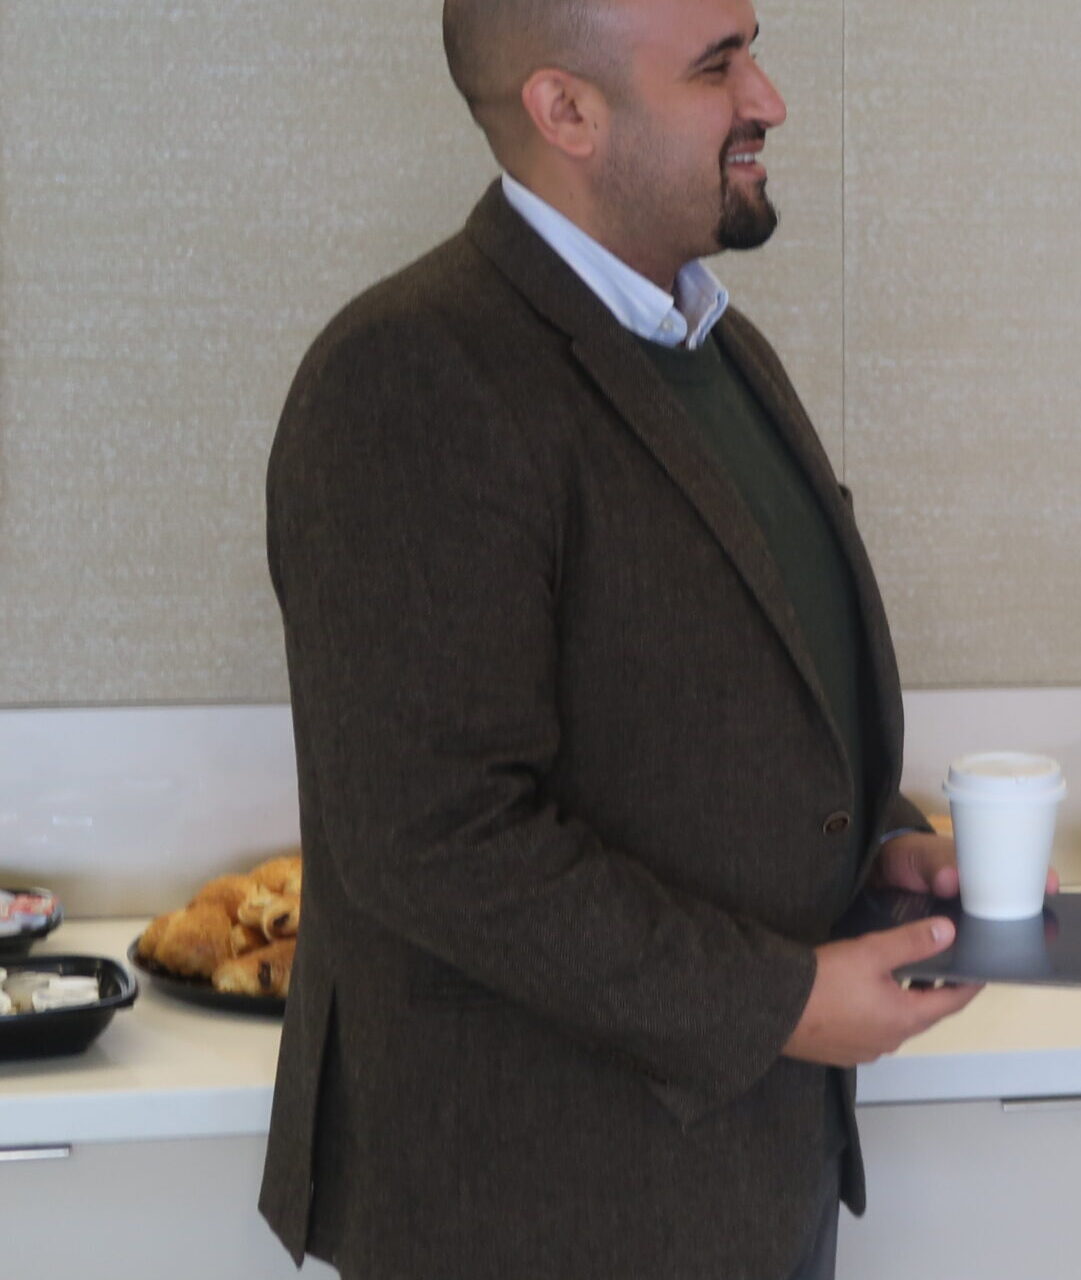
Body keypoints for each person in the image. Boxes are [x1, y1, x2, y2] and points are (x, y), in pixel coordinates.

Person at [259, 2, 1001, 1276]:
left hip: (746, 1186)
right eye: (718, 66)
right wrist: (783, 1004)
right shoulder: (412, 373)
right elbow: (437, 837)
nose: (768, 98)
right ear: (567, 112)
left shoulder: (710, 343)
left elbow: (713, 695)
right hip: (537, 1213)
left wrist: (881, 837)